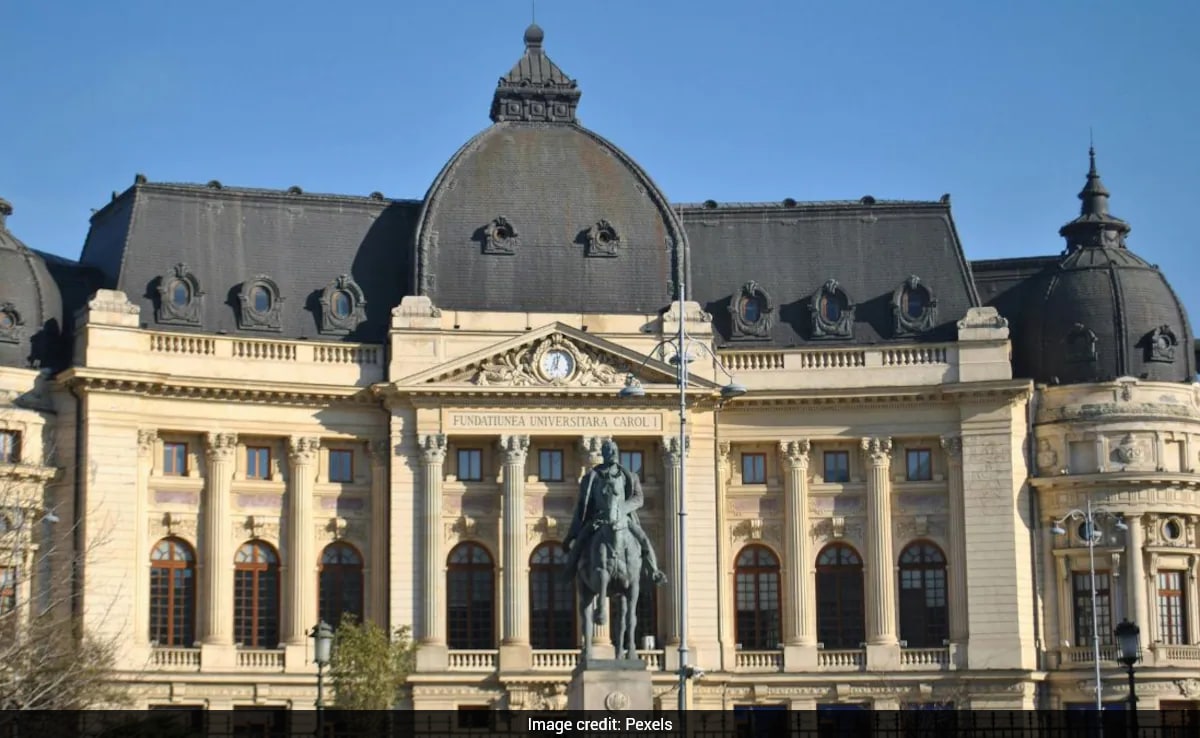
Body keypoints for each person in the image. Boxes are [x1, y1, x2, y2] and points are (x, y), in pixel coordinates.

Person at [563, 439, 667, 585]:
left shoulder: (630, 476)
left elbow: (639, 498)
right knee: (580, 542)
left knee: (643, 539)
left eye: (615, 450)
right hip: (598, 519)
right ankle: (569, 571)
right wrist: (572, 534)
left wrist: (621, 508)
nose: (613, 453)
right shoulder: (591, 477)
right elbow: (582, 506)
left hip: (623, 518)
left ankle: (654, 572)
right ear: (603, 453)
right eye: (609, 450)